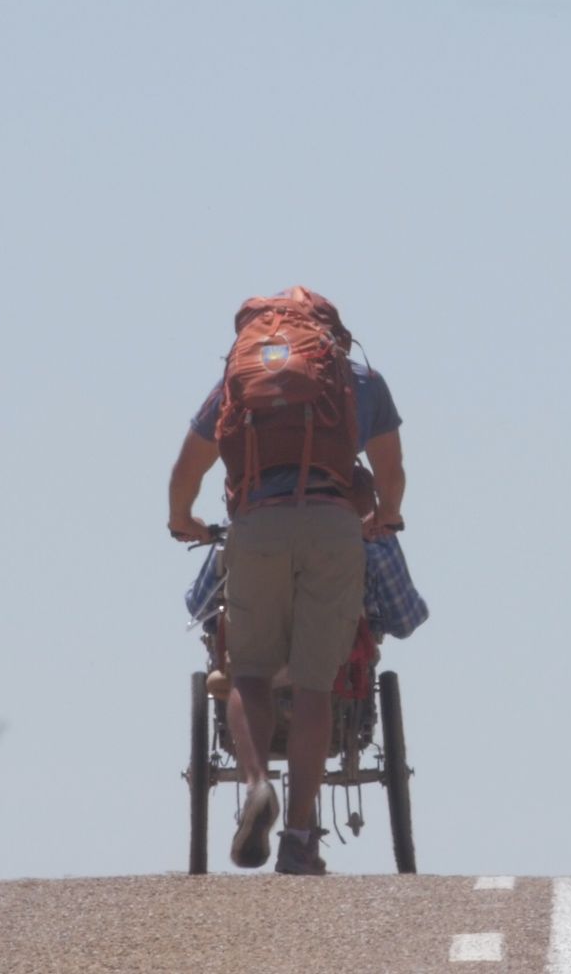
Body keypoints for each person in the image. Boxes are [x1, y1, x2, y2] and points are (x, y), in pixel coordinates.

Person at [168, 295, 405, 876]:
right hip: (332, 526)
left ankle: (255, 786)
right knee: (314, 686)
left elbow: (187, 469)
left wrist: (183, 520)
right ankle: (299, 839)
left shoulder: (238, 379)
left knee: (247, 671)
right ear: (331, 332)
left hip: (257, 524)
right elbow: (392, 470)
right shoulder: (358, 380)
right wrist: (387, 516)